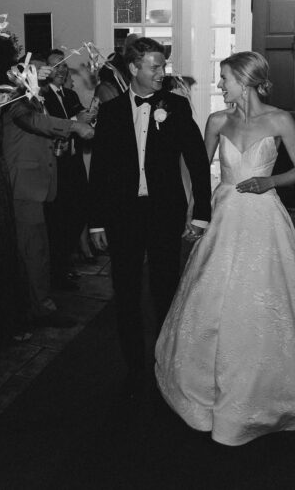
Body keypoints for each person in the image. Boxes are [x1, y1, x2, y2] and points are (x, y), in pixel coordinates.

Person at [154, 51, 295, 444]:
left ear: (245, 81)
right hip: (224, 214)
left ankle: (270, 385)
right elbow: (196, 169)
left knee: (267, 294)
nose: (220, 84)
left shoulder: (279, 120)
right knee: (210, 292)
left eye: (225, 78)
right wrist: (194, 211)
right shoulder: (217, 120)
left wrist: (270, 181)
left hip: (264, 216)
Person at [89, 37, 212, 397]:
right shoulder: (111, 111)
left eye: (163, 66)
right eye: (155, 67)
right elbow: (100, 170)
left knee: (165, 289)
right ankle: (134, 367)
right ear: (134, 68)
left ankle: (166, 361)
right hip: (122, 216)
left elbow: (197, 161)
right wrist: (96, 220)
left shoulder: (176, 106)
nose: (162, 73)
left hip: (164, 213)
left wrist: (201, 213)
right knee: (125, 292)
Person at [1, 63, 95, 329]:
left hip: (38, 184)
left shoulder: (34, 99)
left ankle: (34, 304)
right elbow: (33, 121)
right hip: (25, 186)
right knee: (33, 251)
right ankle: (40, 309)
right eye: (39, 72)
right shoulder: (16, 100)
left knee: (37, 249)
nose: (46, 75)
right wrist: (73, 127)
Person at [41, 49, 94, 291]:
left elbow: (81, 119)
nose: (61, 70)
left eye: (63, 65)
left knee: (79, 210)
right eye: (55, 65)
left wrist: (89, 116)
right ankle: (57, 271)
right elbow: (51, 126)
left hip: (73, 162)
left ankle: (65, 262)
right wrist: (76, 122)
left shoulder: (70, 94)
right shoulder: (42, 97)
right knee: (58, 219)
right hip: (55, 165)